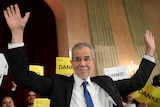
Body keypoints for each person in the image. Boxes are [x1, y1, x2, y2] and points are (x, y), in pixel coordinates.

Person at [3, 4, 156, 107]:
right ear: (71, 63)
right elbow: (22, 76)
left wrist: (149, 52)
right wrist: (17, 35)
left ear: (94, 62)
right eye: (77, 59)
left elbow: (137, 82)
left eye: (86, 58)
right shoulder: (58, 85)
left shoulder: (107, 83)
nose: (82, 63)